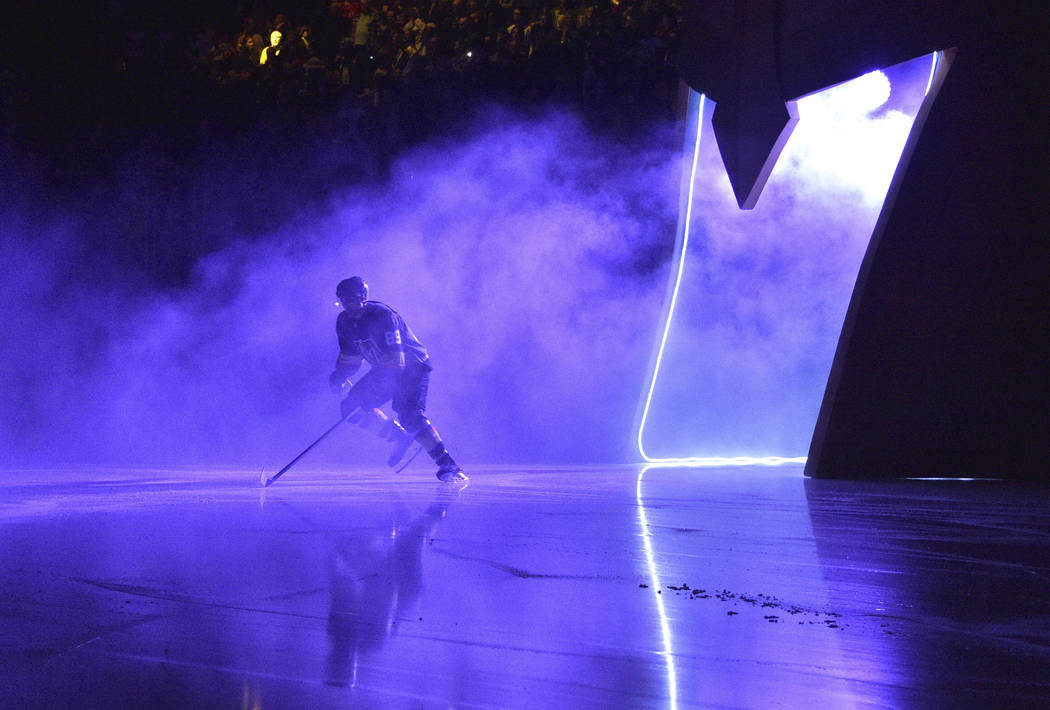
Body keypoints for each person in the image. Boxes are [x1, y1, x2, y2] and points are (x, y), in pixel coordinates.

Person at [329, 277, 467, 482]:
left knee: (409, 414)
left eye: (353, 299)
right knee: (350, 407)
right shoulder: (344, 323)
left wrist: (373, 390)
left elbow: (397, 361)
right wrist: (339, 377)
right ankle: (400, 438)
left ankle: (449, 466)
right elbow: (351, 358)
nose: (349, 305)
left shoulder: (383, 316)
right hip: (385, 370)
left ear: (363, 297)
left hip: (414, 367)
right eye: (344, 300)